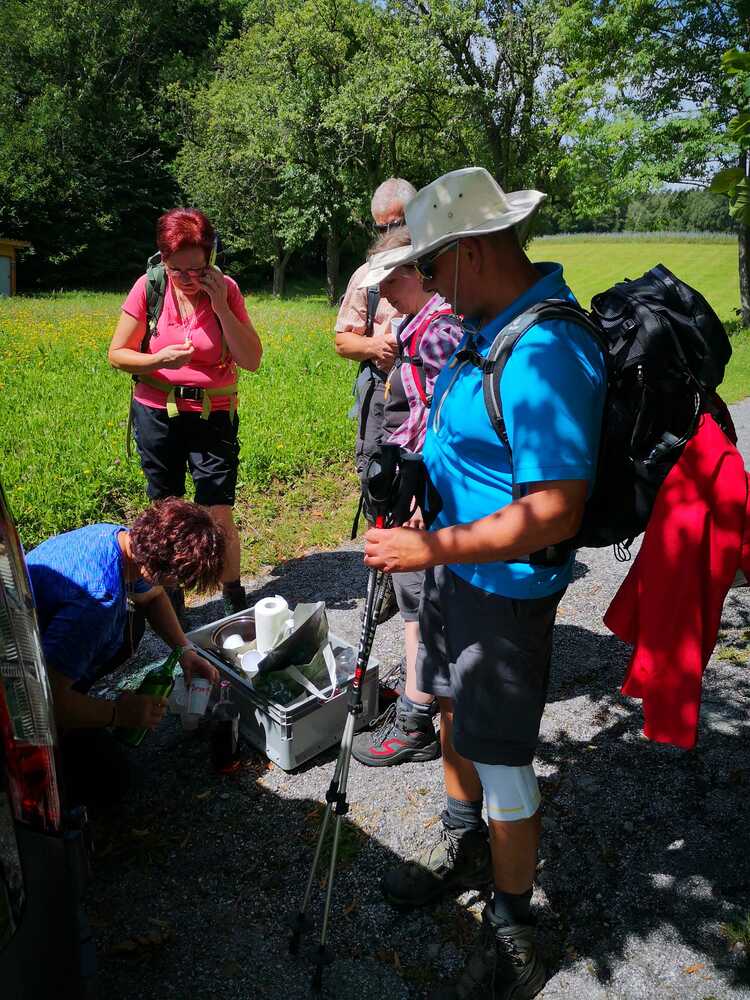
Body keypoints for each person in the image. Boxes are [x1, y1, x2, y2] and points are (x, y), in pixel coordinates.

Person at [363, 168, 607, 999]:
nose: (424, 283)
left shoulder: (546, 348)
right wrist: (416, 477)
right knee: (454, 714)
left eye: (429, 266)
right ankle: (465, 842)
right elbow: (468, 448)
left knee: (503, 759)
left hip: (503, 590)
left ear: (470, 252)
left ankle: (513, 929)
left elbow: (554, 510)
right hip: (455, 570)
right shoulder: (484, 329)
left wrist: (428, 548)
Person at [108, 208, 262, 618]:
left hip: (213, 413)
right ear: (163, 259)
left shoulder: (226, 289)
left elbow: (251, 360)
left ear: (211, 257)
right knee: (166, 512)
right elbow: (117, 354)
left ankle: (233, 598)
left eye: (198, 268)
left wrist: (221, 306)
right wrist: (158, 359)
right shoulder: (149, 286)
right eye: (178, 269)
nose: (189, 278)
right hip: (156, 411)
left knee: (217, 510)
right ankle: (172, 604)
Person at [27, 498, 225, 806]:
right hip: (23, 692)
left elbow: (154, 596)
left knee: (130, 626)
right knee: (113, 781)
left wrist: (185, 650)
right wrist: (119, 713)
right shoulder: (97, 602)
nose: (177, 588)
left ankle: (77, 690)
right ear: (157, 569)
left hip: (42, 634)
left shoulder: (118, 538)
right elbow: (46, 702)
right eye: (179, 581)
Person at [351, 226, 463, 767]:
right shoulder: (416, 325)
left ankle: (417, 719)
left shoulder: (439, 332)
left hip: (427, 488)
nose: (385, 295)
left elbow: (446, 422)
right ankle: (422, 699)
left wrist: (419, 496)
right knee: (415, 594)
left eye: (391, 282)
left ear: (416, 273)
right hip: (413, 481)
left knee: (418, 599)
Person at [334, 178, 417, 498]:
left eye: (396, 225)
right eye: (381, 228)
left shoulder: (439, 267)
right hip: (382, 392)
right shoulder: (365, 276)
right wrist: (374, 346)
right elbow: (342, 341)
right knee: (376, 478)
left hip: (431, 391)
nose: (388, 235)